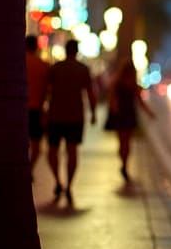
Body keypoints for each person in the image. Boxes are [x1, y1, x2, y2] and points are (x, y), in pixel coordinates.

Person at [45, 40, 97, 205]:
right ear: (76, 52)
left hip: (55, 114)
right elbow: (90, 93)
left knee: (52, 151)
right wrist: (93, 113)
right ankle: (69, 185)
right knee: (72, 151)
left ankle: (57, 181)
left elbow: (47, 91)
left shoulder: (55, 68)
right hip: (75, 116)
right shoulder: (83, 70)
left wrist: (42, 111)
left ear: (66, 51)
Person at [105, 60, 155, 181]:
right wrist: (149, 113)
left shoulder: (117, 83)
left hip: (120, 114)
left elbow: (112, 98)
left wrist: (113, 109)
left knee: (122, 141)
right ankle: (124, 164)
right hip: (128, 114)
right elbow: (140, 101)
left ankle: (123, 162)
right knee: (127, 142)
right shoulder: (133, 84)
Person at [26, 35, 50, 178]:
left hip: (18, 109)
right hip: (36, 108)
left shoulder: (17, 62)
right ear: (36, 46)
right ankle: (29, 169)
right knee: (36, 146)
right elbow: (47, 91)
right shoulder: (42, 65)